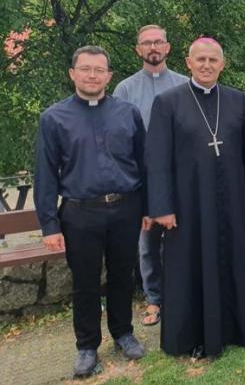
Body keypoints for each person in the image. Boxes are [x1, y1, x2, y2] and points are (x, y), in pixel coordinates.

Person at [146, 37, 245, 358]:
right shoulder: (167, 102)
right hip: (189, 204)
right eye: (200, 59)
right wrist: (161, 207)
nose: (206, 65)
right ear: (188, 62)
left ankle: (240, 325)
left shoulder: (236, 100)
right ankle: (195, 335)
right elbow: (157, 160)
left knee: (235, 257)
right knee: (192, 265)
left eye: (213, 60)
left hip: (234, 199)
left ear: (222, 65)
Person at [34, 46, 146, 378]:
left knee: (123, 275)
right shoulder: (53, 118)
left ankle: (123, 333)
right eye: (85, 69)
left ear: (109, 76)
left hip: (126, 208)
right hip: (80, 214)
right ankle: (86, 346)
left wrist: (149, 208)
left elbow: (144, 164)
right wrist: (49, 225)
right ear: (73, 73)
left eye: (99, 70)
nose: (92, 75)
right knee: (85, 282)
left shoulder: (128, 113)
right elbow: (45, 174)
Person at [113, 24, 186, 327]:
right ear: (138, 49)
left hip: (181, 176)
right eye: (147, 43)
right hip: (142, 178)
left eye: (158, 42)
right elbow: (118, 138)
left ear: (167, 47)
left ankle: (183, 294)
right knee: (148, 243)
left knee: (183, 239)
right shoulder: (125, 90)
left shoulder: (185, 84)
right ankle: (154, 299)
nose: (153, 47)